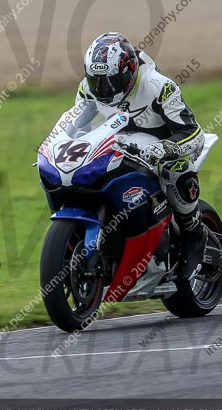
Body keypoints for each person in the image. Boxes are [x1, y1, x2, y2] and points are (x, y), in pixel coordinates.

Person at [61, 31, 205, 280]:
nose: (102, 89)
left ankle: (193, 233)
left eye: (109, 81)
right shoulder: (88, 89)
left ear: (128, 72)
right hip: (120, 143)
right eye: (97, 81)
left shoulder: (158, 86)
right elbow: (77, 127)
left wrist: (165, 148)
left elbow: (193, 133)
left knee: (176, 169)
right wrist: (60, 143)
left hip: (163, 146)